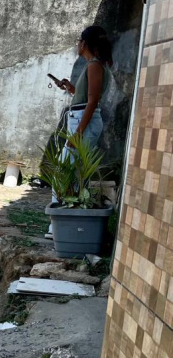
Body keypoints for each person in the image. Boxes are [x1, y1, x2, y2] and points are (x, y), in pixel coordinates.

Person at [46, 25, 113, 237]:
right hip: (81, 120)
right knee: (70, 173)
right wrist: (71, 88)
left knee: (64, 173)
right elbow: (86, 96)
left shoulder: (94, 65)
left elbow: (93, 101)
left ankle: (58, 225)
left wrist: (78, 133)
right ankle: (61, 224)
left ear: (84, 43)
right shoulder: (92, 65)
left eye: (79, 41)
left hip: (83, 123)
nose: (77, 44)